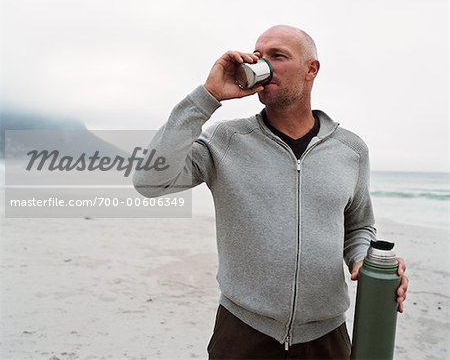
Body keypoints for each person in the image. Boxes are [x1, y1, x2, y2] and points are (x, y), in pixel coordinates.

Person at [133, 25, 408, 359]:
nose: (264, 65)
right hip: (242, 332)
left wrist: (363, 260)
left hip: (326, 336)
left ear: (312, 69)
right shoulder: (226, 140)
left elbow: (360, 225)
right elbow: (150, 181)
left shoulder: (351, 150)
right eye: (260, 57)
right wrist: (207, 96)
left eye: (278, 56)